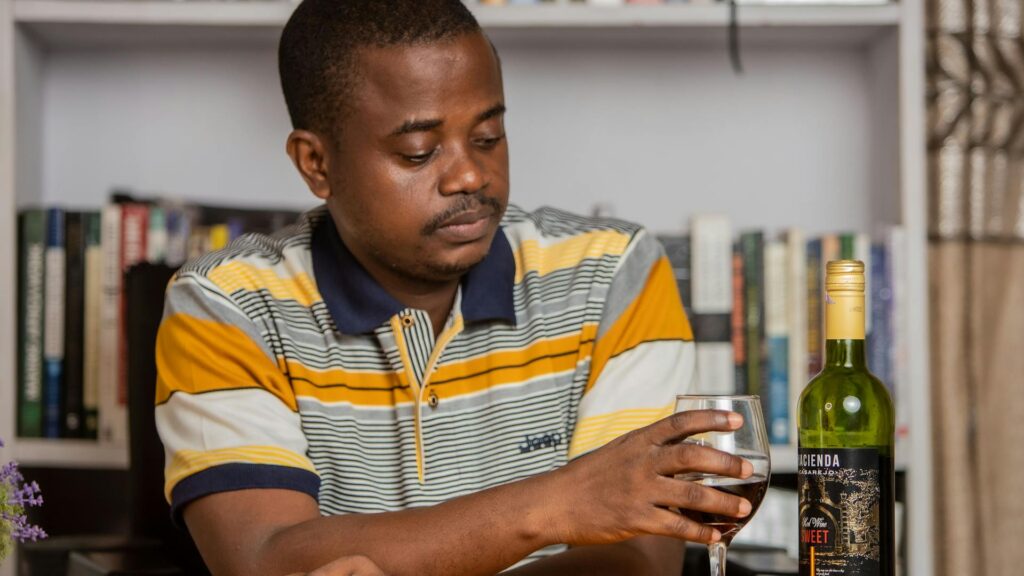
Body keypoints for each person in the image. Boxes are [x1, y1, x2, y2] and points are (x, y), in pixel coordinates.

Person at [154, 1, 754, 575]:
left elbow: (636, 561)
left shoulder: (614, 272)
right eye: (419, 152)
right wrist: (556, 503)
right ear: (316, 163)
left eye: (489, 137)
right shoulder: (225, 304)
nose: (470, 174)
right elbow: (264, 559)